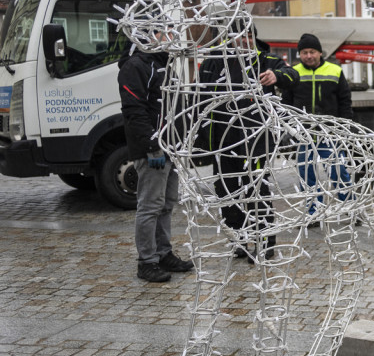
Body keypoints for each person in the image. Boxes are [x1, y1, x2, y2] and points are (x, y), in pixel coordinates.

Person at [198, 26, 298, 260]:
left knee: (256, 191)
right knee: (227, 193)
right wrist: (202, 139)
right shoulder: (214, 62)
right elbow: (200, 98)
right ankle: (240, 240)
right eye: (239, 36)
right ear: (229, 38)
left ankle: (265, 242)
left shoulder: (266, 60)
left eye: (249, 36)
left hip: (254, 142)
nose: (244, 40)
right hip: (223, 142)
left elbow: (293, 76)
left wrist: (278, 76)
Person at [118, 37, 194, 283]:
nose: (170, 37)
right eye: (164, 33)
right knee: (150, 205)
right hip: (152, 150)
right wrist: (152, 146)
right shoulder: (137, 66)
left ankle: (163, 253)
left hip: (170, 148)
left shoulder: (163, 63)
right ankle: (147, 261)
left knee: (166, 204)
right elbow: (134, 111)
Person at [280, 33, 353, 212]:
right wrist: (289, 128)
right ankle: (313, 211)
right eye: (304, 52)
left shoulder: (334, 70)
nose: (309, 56)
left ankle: (352, 207)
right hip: (304, 134)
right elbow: (286, 103)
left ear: (320, 53)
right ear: (300, 54)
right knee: (307, 175)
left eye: (312, 51)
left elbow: (345, 100)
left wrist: (344, 126)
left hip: (329, 134)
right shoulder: (294, 73)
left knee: (338, 172)